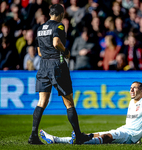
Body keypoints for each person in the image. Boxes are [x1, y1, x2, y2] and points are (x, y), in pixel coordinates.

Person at [28, 4, 93, 145]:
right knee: (69, 101)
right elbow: (56, 42)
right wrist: (65, 52)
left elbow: (39, 52)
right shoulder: (59, 26)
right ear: (61, 14)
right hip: (57, 65)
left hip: (43, 65)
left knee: (41, 102)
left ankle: (33, 135)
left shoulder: (40, 29)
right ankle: (78, 136)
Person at [40, 81, 142, 145]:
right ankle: (56, 139)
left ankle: (76, 141)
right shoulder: (132, 102)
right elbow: (139, 121)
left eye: (135, 88)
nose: (131, 90)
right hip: (125, 131)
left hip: (129, 135)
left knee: (105, 137)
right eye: (130, 87)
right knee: (91, 135)